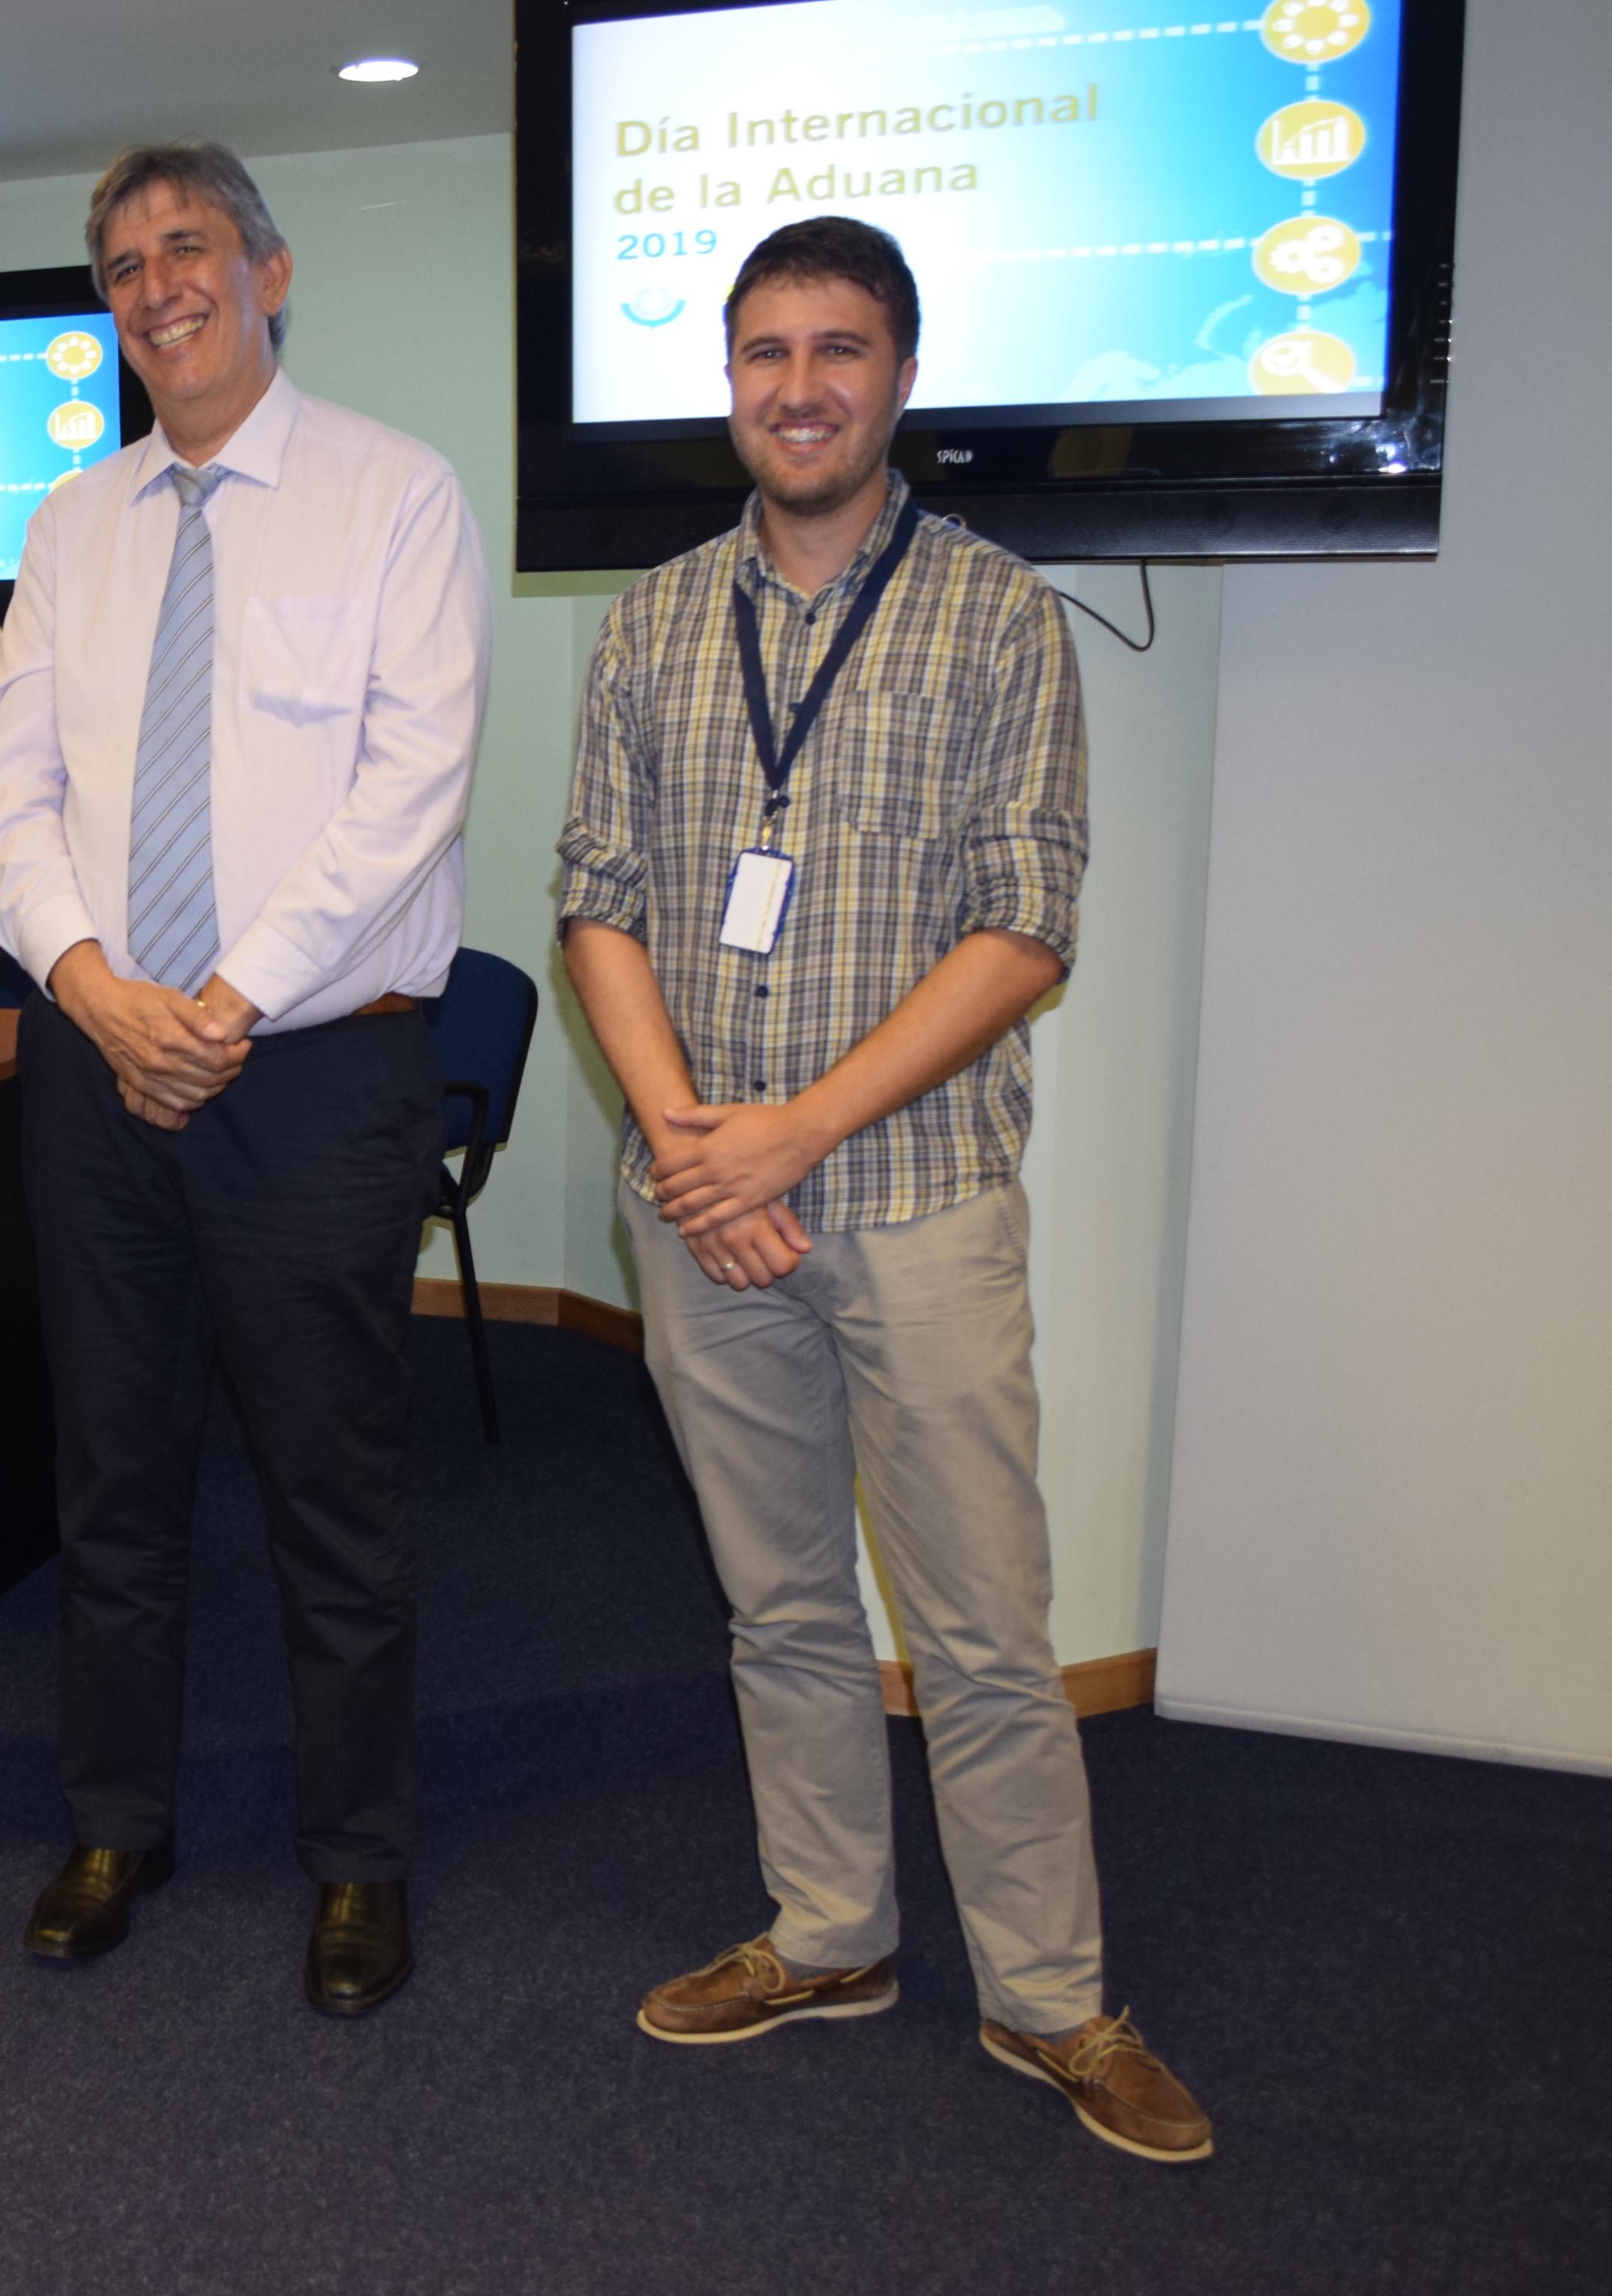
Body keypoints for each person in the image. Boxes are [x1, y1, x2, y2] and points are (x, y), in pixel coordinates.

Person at [556, 216, 1211, 2162]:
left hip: (914, 1197)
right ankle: (829, 1933)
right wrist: (698, 1146)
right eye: (764, 351)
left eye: (837, 349)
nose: (798, 386)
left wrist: (794, 1132)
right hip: (703, 1204)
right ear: (728, 381)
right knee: (777, 1607)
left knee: (983, 1626)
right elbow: (596, 900)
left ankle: (1050, 2001)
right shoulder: (650, 621)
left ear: (902, 376)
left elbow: (1025, 925)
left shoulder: (997, 614)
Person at [0, 143, 489, 2015]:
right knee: (109, 1478)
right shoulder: (72, 523)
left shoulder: (393, 494)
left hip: (315, 1076)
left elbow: (407, 789)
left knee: (329, 1489)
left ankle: (358, 1858)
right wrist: (91, 985)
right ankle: (116, 1821)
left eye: (186, 247)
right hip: (97, 1066)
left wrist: (223, 1001)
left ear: (270, 271)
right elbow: (7, 789)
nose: (155, 284)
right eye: (121, 263)